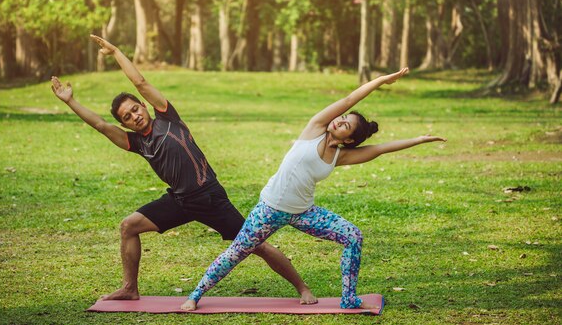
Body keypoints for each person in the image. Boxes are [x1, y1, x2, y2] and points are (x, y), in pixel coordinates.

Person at [51, 35, 315, 303]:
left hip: (210, 197)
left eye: (135, 109)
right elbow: (100, 125)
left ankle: (303, 288)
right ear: (126, 124)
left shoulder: (167, 117)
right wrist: (70, 101)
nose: (135, 116)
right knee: (129, 226)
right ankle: (130, 288)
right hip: (180, 200)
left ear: (144, 106)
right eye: (127, 117)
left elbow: (140, 82)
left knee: (256, 245)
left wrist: (117, 51)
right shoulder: (137, 143)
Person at [181, 67, 446, 311]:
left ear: (350, 139)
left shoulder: (339, 156)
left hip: (304, 212)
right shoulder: (315, 128)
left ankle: (349, 298)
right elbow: (349, 99)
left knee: (353, 236)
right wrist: (382, 81)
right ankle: (195, 295)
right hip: (269, 209)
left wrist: (419, 140)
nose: (339, 121)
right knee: (237, 252)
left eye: (346, 125)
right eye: (342, 119)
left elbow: (379, 149)